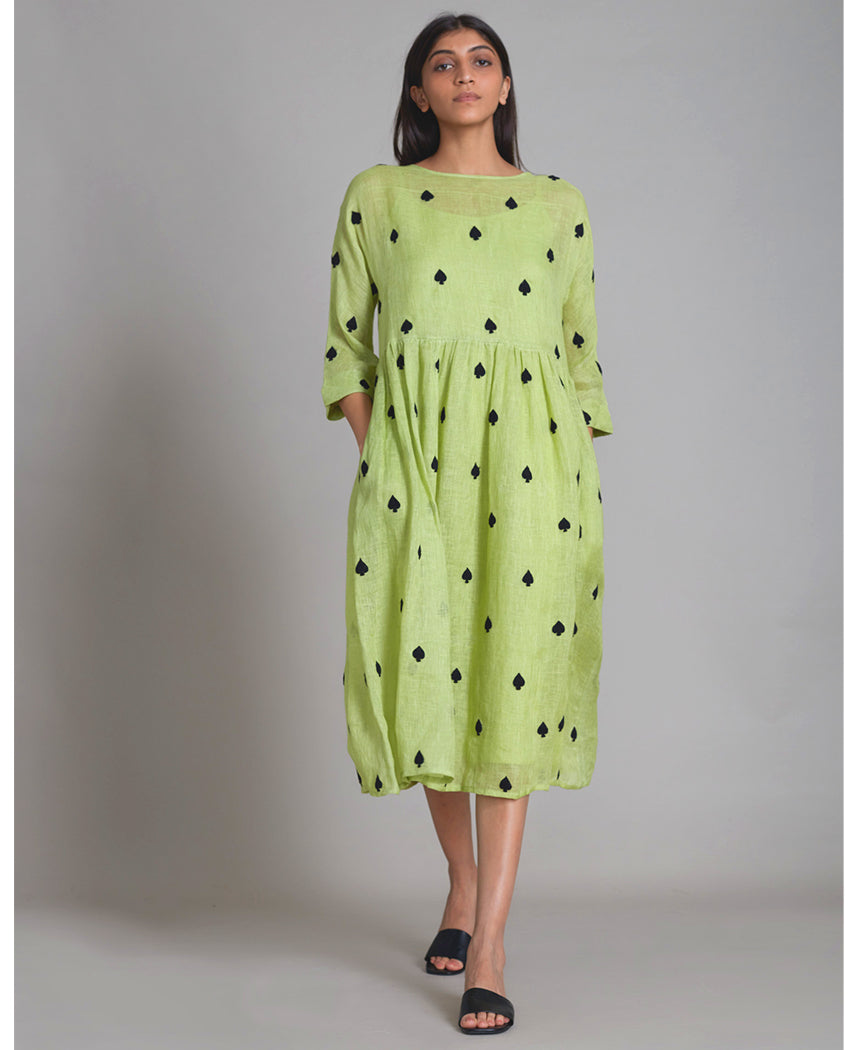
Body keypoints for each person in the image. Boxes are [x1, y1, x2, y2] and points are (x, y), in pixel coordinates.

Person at [321, 12, 614, 1035]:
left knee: (511, 688)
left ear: (506, 83)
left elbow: (580, 359)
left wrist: (569, 482)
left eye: (482, 60)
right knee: (430, 688)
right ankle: (461, 879)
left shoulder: (559, 205)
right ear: (419, 92)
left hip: (535, 483)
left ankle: (487, 943)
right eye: (442, 64)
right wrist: (382, 461)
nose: (464, 75)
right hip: (416, 480)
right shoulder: (378, 196)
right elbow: (346, 350)